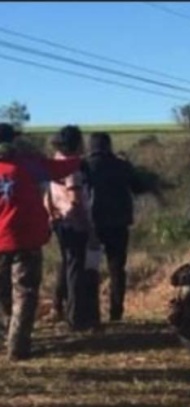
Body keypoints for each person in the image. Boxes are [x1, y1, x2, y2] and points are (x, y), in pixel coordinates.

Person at [0, 122, 83, 360]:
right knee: (25, 293)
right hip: (26, 240)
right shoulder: (28, 164)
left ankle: (7, 333)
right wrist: (81, 158)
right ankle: (17, 346)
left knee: (3, 293)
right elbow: (60, 169)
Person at [44, 125, 99, 331]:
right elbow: (77, 202)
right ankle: (76, 317)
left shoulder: (54, 165)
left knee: (67, 265)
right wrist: (90, 229)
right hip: (75, 225)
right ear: (76, 143)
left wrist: (51, 214)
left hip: (59, 222)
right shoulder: (72, 169)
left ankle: (62, 308)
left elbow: (47, 196)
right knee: (76, 269)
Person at [83, 131, 136, 323]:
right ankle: (116, 311)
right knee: (117, 268)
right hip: (118, 223)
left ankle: (90, 311)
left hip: (93, 225)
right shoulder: (122, 166)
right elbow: (137, 185)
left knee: (91, 267)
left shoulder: (85, 166)